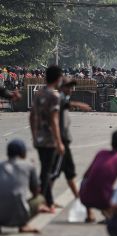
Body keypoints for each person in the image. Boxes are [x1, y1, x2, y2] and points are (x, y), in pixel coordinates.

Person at [51, 77, 93, 219]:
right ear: (62, 87)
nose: (70, 90)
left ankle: (79, 199)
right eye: (68, 87)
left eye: (72, 87)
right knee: (53, 173)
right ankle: (47, 201)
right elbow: (65, 104)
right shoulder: (59, 98)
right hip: (61, 141)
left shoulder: (62, 97)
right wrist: (80, 105)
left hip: (64, 141)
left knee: (69, 173)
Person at [30, 65, 64, 211]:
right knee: (46, 171)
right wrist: (59, 141)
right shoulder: (54, 96)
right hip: (49, 139)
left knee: (46, 169)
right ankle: (40, 202)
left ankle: (49, 201)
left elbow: (32, 116)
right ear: (58, 78)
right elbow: (54, 120)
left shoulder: (39, 94)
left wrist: (34, 135)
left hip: (39, 138)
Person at [80, 130, 117, 220]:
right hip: (104, 200)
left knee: (88, 181)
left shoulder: (101, 153)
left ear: (111, 143)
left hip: (85, 197)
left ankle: (89, 214)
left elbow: (85, 175)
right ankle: (111, 213)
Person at [0, 140, 45, 234]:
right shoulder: (29, 165)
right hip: (19, 216)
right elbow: (36, 191)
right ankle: (23, 225)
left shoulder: (1, 165)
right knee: (40, 199)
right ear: (22, 153)